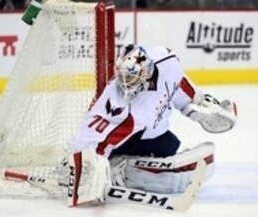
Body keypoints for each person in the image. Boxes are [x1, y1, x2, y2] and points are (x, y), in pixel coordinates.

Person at [67, 44, 238, 207]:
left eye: (132, 78)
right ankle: (114, 165)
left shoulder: (166, 59)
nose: (126, 84)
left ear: (147, 72)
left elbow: (176, 80)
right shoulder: (119, 106)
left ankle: (121, 163)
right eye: (123, 77)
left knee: (170, 145)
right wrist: (85, 169)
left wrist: (194, 101)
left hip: (152, 130)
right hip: (128, 134)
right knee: (107, 148)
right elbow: (89, 134)